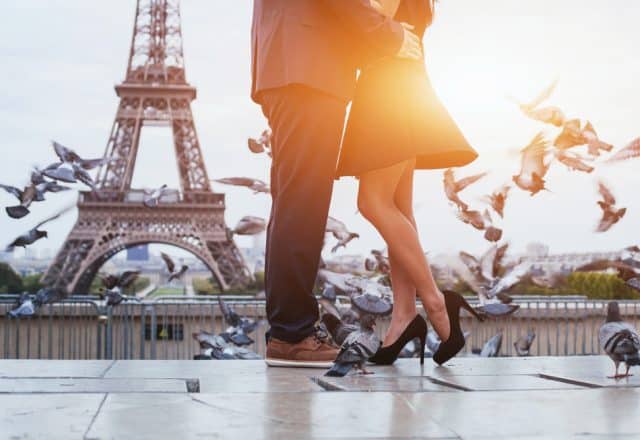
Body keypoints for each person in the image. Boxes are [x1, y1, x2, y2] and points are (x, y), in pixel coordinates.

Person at [251, 0, 423, 367]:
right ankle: (291, 335)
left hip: (294, 64)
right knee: (302, 204)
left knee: (296, 202)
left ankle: (289, 330)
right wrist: (388, 34)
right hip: (308, 71)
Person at [336, 0, 483, 366]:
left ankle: (434, 302)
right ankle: (404, 314)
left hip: (390, 88)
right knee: (397, 209)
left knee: (373, 202)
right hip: (397, 85)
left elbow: (368, 18)